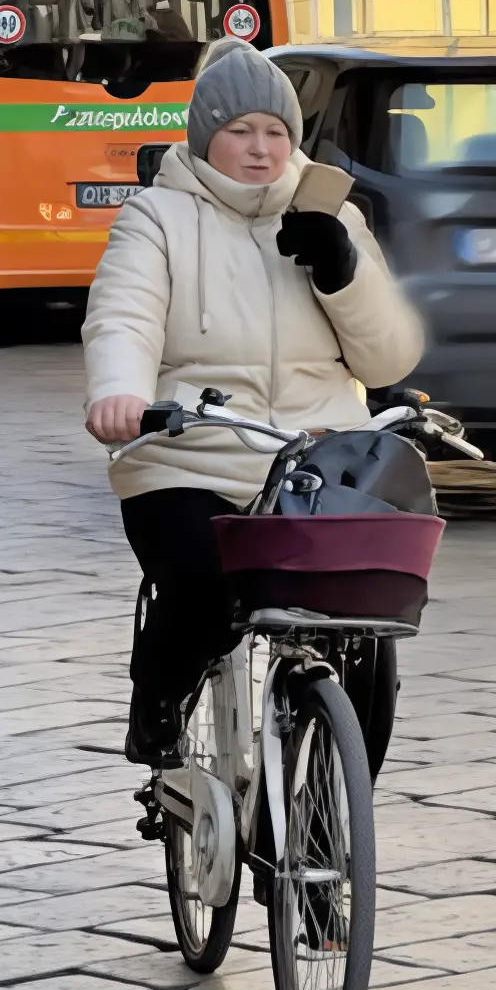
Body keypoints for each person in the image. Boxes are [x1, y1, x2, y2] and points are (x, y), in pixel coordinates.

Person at [82, 37, 425, 766]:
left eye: (275, 132)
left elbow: (390, 357)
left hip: (314, 463)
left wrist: (343, 272)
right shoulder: (156, 217)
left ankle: (329, 802)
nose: (261, 150)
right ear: (206, 137)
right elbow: (125, 315)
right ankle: (161, 701)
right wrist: (120, 391)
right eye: (240, 132)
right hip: (192, 454)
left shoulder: (332, 216)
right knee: (202, 581)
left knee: (370, 624)